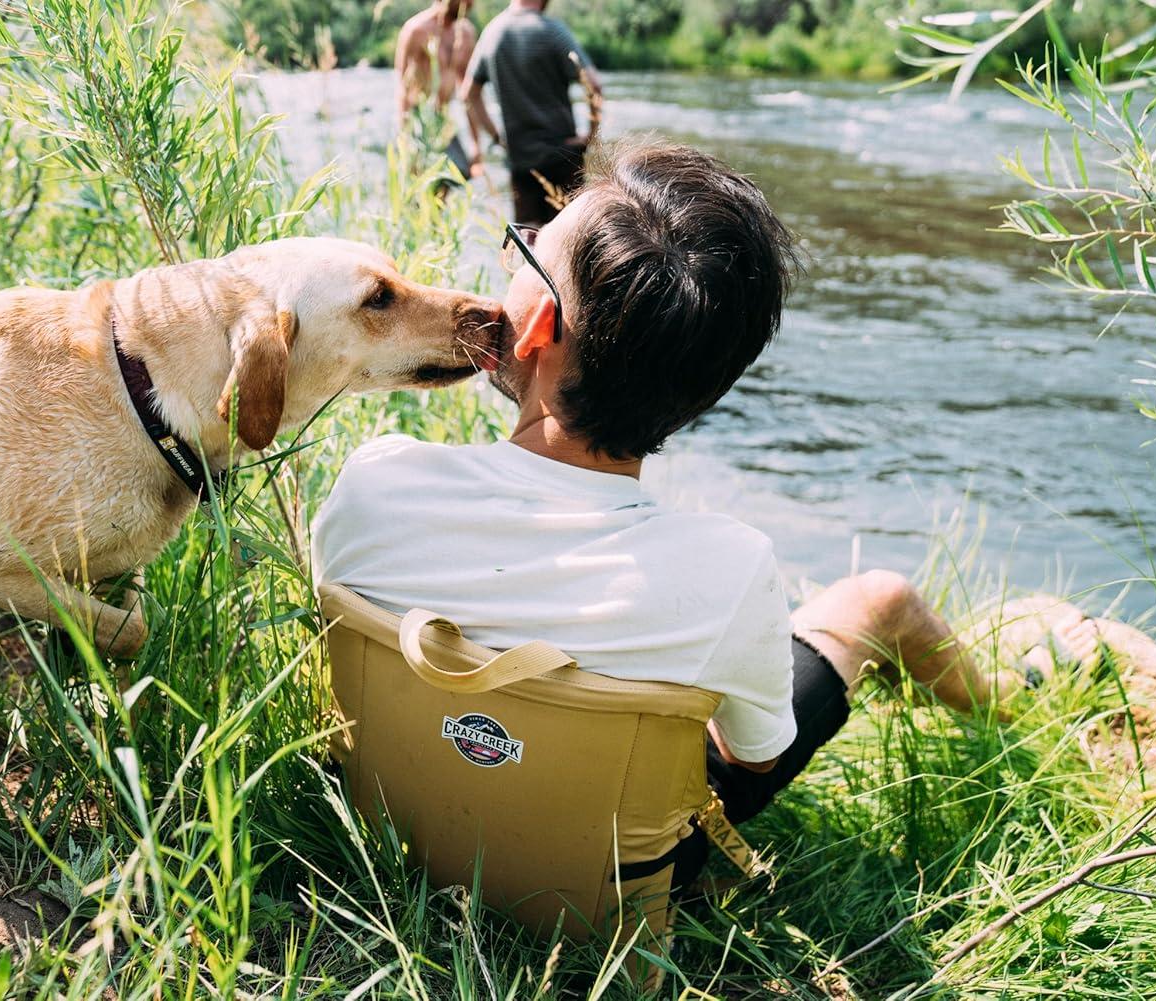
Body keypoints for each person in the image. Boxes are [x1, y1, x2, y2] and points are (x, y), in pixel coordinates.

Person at [310, 141, 1092, 829]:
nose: (510, 263)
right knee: (877, 599)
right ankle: (1013, 703)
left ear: (540, 322)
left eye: (529, 247)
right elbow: (756, 758)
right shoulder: (728, 568)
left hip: (386, 834)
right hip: (603, 884)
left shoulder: (377, 482)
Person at [462, 0, 604, 225]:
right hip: (562, 154)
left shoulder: (492, 32)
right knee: (572, 234)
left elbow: (469, 94)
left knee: (528, 235)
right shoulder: (553, 31)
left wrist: (498, 137)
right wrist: (591, 135)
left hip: (519, 156)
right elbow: (593, 84)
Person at [394, 0, 479, 179]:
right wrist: (406, 138)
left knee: (459, 173)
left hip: (444, 119)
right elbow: (403, 88)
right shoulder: (416, 30)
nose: (471, 3)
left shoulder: (466, 33)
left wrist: (475, 144)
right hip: (419, 121)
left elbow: (468, 91)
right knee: (423, 180)